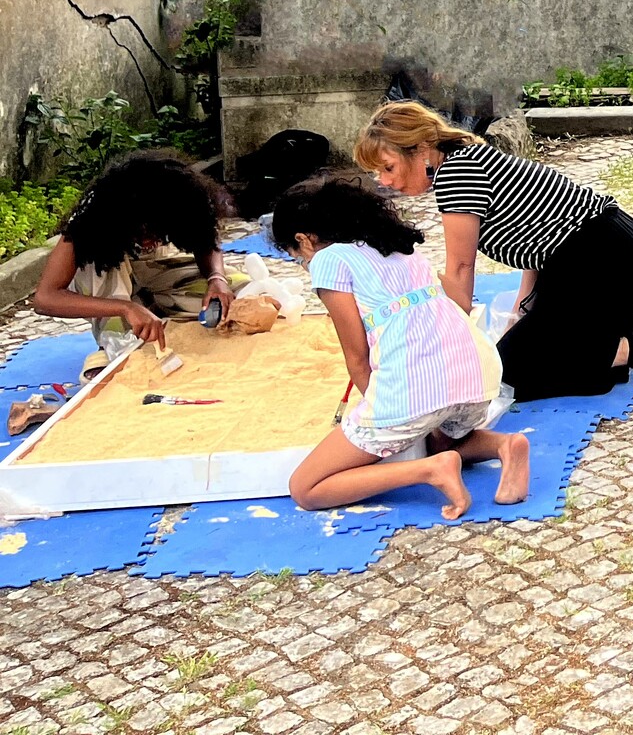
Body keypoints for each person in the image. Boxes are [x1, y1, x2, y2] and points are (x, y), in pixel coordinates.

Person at [355, 102, 633, 401]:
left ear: (421, 148)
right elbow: (537, 238)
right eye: (377, 172)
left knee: (508, 374)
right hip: (617, 249)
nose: (384, 181)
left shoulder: (455, 176)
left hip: (603, 263)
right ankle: (627, 329)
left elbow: (460, 269)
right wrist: (521, 311)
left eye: (388, 167)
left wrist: (453, 347)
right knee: (523, 345)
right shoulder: (470, 156)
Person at [273, 174, 530, 518]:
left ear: (304, 240)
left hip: (416, 388)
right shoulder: (396, 246)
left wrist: (374, 414)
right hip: (476, 373)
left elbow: (357, 357)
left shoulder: (328, 260)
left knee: (305, 488)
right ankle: (504, 445)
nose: (302, 265)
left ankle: (430, 470)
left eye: (296, 257)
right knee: (438, 434)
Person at [32, 151, 236, 369]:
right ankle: (115, 343)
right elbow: (45, 299)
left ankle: (150, 310)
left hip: (146, 274)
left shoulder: (181, 198)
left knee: (232, 296)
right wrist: (125, 308)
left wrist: (217, 278)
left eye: (158, 233)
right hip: (107, 280)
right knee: (103, 274)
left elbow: (205, 240)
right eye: (145, 232)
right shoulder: (91, 218)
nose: (151, 241)